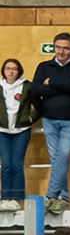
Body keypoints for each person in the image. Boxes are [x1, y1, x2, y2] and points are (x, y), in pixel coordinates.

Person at [29, 33, 70, 205]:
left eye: (66, 48)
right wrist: (65, 85)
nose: (61, 51)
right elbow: (36, 90)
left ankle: (51, 195)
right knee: (55, 158)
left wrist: (51, 82)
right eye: (58, 47)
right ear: (54, 47)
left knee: (63, 155)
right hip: (49, 119)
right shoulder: (44, 66)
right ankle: (63, 197)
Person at [1, 56, 33, 208]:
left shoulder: (26, 86)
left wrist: (30, 119)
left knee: (17, 165)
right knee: (6, 165)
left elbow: (39, 105)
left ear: (19, 71)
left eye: (14, 69)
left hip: (21, 130)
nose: (11, 71)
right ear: (3, 71)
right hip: (2, 131)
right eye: (8, 68)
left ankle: (18, 199)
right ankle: (5, 198)